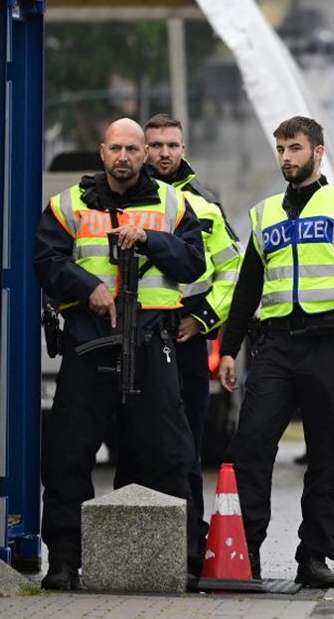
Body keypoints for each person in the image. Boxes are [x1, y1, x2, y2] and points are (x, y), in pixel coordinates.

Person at [33, 118, 206, 590]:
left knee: (170, 455)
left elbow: (195, 262)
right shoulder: (68, 204)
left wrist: (151, 239)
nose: (125, 156)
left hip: (151, 344)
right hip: (89, 345)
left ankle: (178, 562)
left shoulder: (173, 204)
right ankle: (65, 562)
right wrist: (88, 287)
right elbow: (46, 261)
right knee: (68, 455)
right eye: (117, 148)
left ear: (143, 155)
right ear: (102, 152)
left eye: (134, 148)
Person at [217, 115, 334, 588]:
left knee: (326, 456)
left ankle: (314, 557)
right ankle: (243, 552)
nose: (287, 157)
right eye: (282, 149)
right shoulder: (265, 213)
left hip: (330, 346)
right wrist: (229, 348)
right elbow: (247, 289)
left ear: (317, 152)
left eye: (295, 148)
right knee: (249, 448)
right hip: (275, 348)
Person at [142, 113, 244, 572]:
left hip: (183, 340)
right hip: (129, 338)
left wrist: (203, 318)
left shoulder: (203, 204)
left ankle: (187, 551)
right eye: (155, 144)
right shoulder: (125, 197)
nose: (164, 152)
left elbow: (233, 270)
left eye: (172, 144)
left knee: (186, 451)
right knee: (136, 444)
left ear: (184, 149)